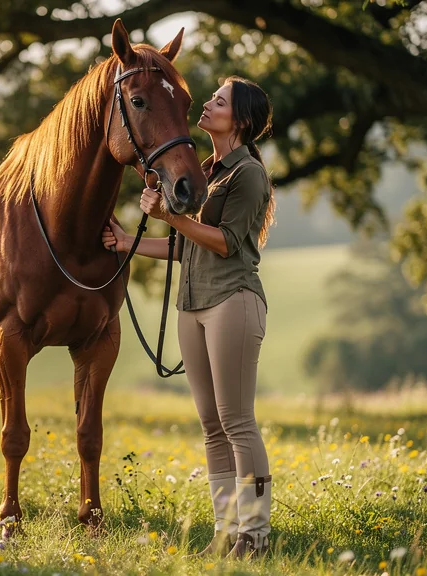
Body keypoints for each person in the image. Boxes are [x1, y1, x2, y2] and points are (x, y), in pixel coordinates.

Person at [103, 76, 276, 558]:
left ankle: (255, 534)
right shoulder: (208, 169)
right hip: (193, 305)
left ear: (238, 119)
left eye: (219, 101)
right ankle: (226, 533)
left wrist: (169, 216)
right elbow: (188, 246)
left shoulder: (248, 175)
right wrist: (127, 244)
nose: (208, 103)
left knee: (237, 421)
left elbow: (225, 242)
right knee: (211, 424)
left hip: (233, 300)